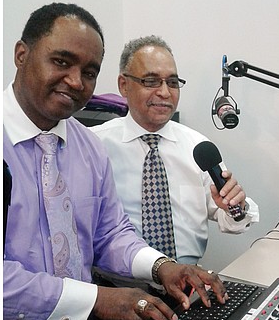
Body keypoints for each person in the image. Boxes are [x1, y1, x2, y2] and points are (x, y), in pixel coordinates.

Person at [3, 4, 228, 320]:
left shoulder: (87, 147)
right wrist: (95, 299)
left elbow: (110, 233)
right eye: (62, 61)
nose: (76, 82)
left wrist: (163, 267)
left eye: (89, 72)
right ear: (21, 55)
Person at [91, 36, 259, 274]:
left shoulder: (199, 147)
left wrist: (236, 207)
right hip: (120, 289)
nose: (164, 92)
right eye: (151, 81)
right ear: (123, 85)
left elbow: (232, 220)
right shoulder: (94, 146)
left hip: (189, 282)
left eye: (172, 82)